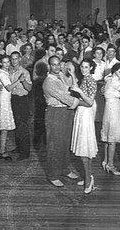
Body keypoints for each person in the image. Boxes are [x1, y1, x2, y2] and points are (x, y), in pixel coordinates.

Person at [42, 56, 84, 187]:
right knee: (55, 144)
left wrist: (71, 74)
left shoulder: (60, 75)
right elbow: (67, 98)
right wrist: (86, 101)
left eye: (58, 64)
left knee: (65, 143)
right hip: (55, 113)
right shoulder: (49, 82)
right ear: (49, 66)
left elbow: (73, 85)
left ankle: (64, 169)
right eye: (53, 65)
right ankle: (53, 175)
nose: (56, 67)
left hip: (66, 112)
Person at [70, 58, 98, 194]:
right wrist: (73, 75)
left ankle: (88, 180)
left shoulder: (91, 80)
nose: (83, 69)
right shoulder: (85, 79)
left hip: (86, 114)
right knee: (83, 149)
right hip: (81, 114)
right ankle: (88, 176)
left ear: (91, 68)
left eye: (86, 67)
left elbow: (90, 102)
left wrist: (78, 94)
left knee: (84, 150)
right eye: (82, 67)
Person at [0, 55, 23, 161]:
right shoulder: (2, 73)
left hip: (3, 99)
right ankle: (2, 151)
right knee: (4, 126)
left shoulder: (3, 72)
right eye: (4, 62)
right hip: (3, 101)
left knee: (0, 124)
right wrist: (19, 80)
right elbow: (9, 87)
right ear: (0, 63)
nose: (7, 64)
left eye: (8, 62)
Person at [101, 63, 120, 176]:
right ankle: (110, 165)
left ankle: (106, 161)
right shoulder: (115, 81)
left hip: (110, 108)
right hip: (114, 109)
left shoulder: (109, 79)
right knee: (112, 138)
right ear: (115, 72)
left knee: (108, 137)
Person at [9, 52, 32, 161]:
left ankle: (25, 152)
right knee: (16, 124)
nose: (14, 61)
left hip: (22, 100)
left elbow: (29, 88)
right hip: (13, 99)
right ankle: (19, 148)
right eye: (12, 59)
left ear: (19, 59)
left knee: (23, 126)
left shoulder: (25, 72)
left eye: (16, 59)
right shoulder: (10, 70)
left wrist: (23, 81)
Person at [32, 45, 56, 150]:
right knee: (40, 117)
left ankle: (47, 140)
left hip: (50, 94)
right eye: (52, 50)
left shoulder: (53, 62)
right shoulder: (40, 63)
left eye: (55, 50)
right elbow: (34, 78)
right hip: (40, 94)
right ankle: (37, 141)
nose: (54, 52)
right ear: (46, 51)